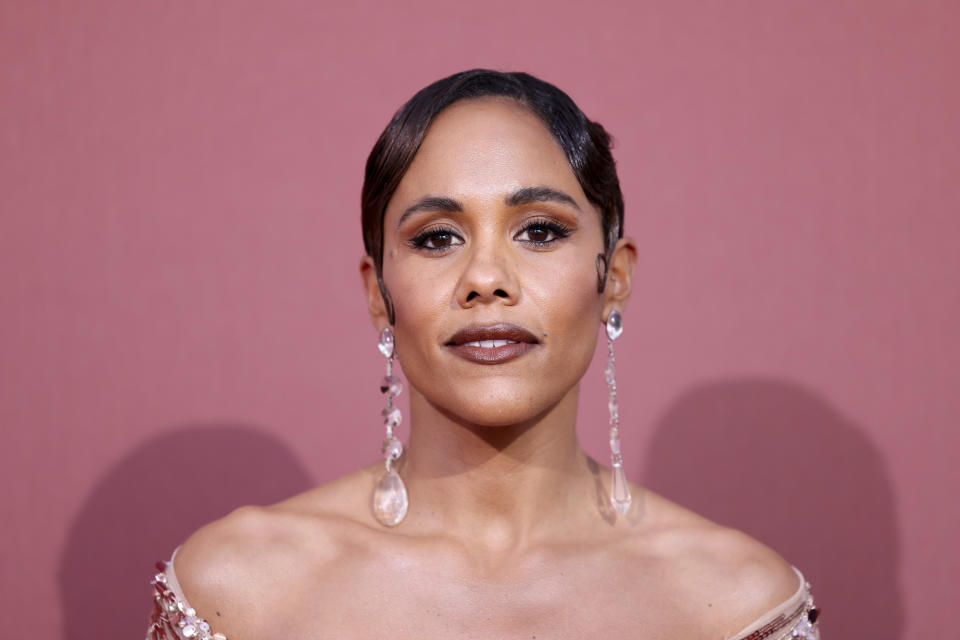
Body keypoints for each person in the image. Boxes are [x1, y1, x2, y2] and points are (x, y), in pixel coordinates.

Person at [147, 69, 821, 640]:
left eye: (539, 230)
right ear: (379, 295)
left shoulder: (736, 606)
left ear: (613, 276)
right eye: (438, 238)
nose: (486, 278)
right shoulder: (239, 594)